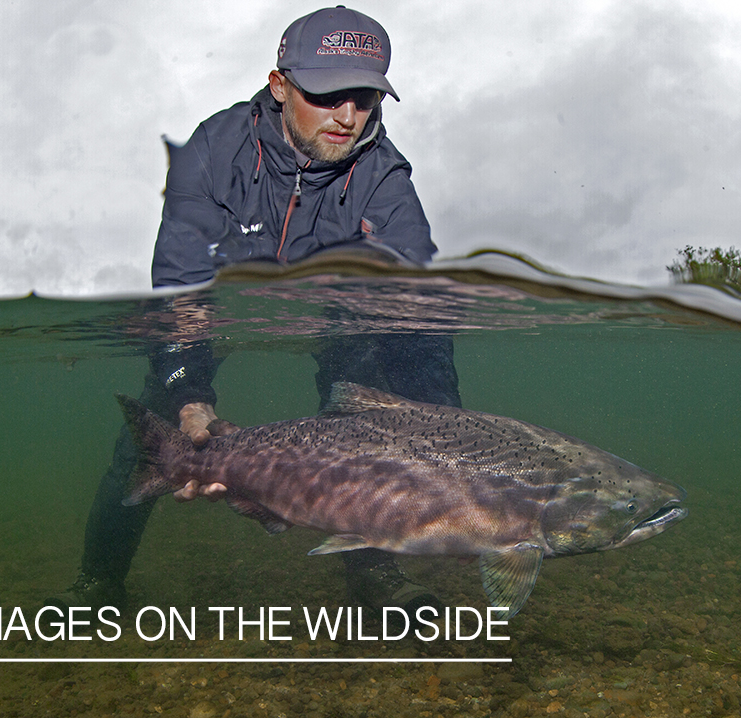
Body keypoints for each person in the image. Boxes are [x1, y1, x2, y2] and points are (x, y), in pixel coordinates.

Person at [46, 6, 460, 614]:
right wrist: (191, 399)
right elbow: (180, 285)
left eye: (365, 98)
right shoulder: (212, 149)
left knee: (370, 433)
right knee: (148, 445)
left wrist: (443, 429)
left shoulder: (388, 180)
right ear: (279, 85)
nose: (348, 117)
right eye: (326, 95)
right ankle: (98, 584)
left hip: (339, 314)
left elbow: (417, 318)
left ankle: (376, 581)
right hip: (215, 307)